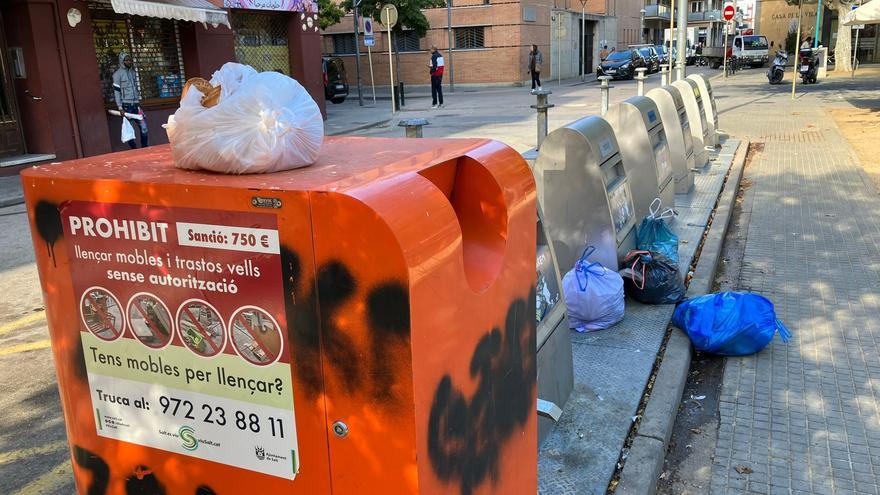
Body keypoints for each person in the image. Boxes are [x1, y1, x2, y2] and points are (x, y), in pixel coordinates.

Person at [113, 52, 148, 149]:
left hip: (136, 105)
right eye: (127, 60)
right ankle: (134, 149)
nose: (129, 62)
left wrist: (139, 101)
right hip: (126, 106)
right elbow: (117, 92)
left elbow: (136, 88)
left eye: (130, 60)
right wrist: (120, 107)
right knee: (129, 130)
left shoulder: (133, 72)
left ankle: (145, 148)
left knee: (144, 128)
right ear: (122, 61)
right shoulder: (117, 74)